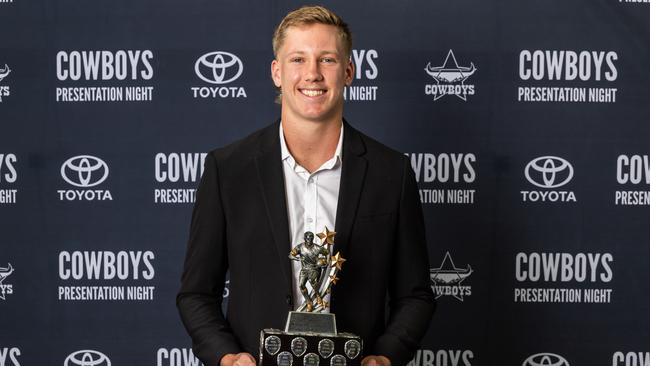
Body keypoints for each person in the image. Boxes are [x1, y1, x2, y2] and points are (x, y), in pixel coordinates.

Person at [177, 5, 435, 366]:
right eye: (298, 59)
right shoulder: (227, 169)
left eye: (327, 60)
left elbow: (416, 295)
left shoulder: (392, 172)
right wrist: (228, 358)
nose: (312, 74)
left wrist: (385, 358)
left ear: (348, 72)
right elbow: (196, 294)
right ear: (277, 72)